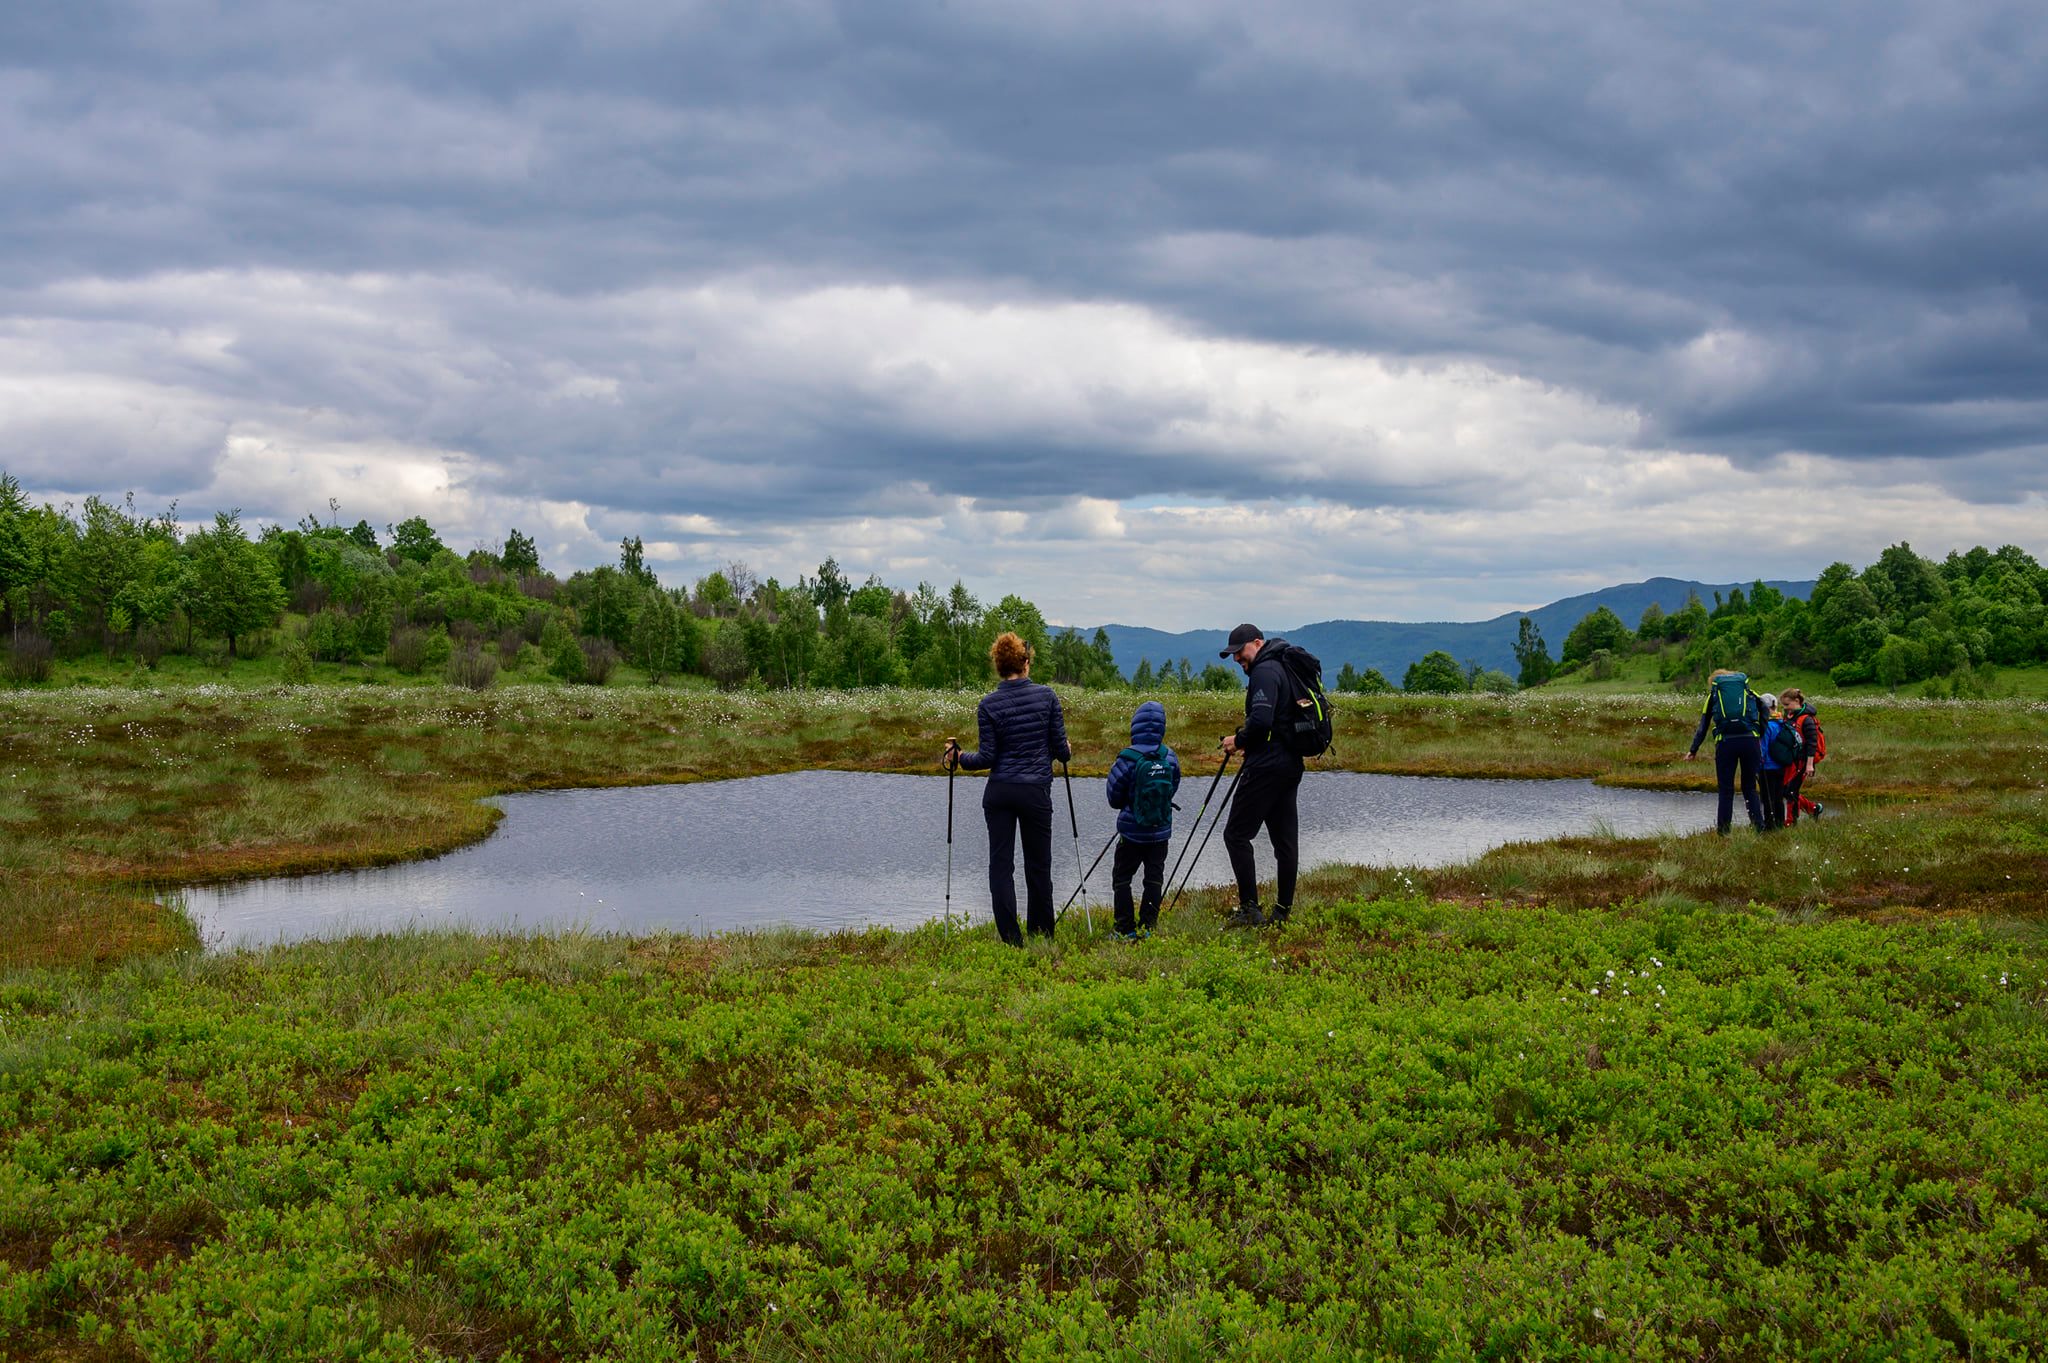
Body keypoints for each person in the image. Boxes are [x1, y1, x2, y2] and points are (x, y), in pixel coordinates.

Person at [943, 632, 1072, 946]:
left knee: (1001, 866)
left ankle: (1012, 940)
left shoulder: (988, 704)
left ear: (999, 667)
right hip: (1035, 793)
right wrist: (1063, 748)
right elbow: (1063, 751)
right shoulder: (1047, 697)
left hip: (1000, 792)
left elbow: (987, 757)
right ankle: (1041, 935)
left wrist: (959, 758)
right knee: (1038, 866)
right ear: (1025, 663)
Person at [1218, 623, 1303, 927]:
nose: (1238, 660)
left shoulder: (1264, 671)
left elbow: (1263, 720)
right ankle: (1281, 912)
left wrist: (1237, 740)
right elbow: (1275, 723)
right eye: (1234, 656)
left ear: (1257, 642)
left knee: (1236, 835)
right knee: (1285, 844)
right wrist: (1249, 741)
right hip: (1289, 765)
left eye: (1240, 653)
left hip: (1267, 767)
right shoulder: (1282, 666)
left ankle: (1250, 911)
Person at [1104, 700, 1181, 941]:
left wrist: (1130, 804)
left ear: (1135, 726)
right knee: (1154, 878)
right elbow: (1172, 788)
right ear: (1162, 727)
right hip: (1160, 832)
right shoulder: (1170, 757)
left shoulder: (1127, 758)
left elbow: (1113, 797)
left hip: (1131, 832)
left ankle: (1124, 929)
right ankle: (1148, 928)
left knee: (1122, 879)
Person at [1684, 668, 1766, 835]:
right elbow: (1764, 709)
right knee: (1750, 787)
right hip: (1750, 742)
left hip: (1726, 743)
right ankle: (1758, 827)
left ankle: (1723, 832)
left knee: (1726, 789)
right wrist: (1759, 733)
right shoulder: (1748, 691)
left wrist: (1693, 750)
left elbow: (1702, 727)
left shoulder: (1713, 696)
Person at [1779, 687, 1824, 824]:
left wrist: (1809, 765)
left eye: (1787, 705)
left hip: (1804, 761)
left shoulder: (1807, 719)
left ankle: (1791, 822)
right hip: (1792, 760)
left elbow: (1812, 743)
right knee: (1786, 790)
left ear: (1797, 701)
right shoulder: (1790, 716)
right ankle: (1813, 808)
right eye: (1783, 706)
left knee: (1791, 791)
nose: (1785, 708)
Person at [1756, 693, 1787, 831]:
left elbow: (1762, 748)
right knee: (1779, 797)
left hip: (1767, 767)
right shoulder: (1783, 722)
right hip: (1781, 766)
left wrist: (1757, 766)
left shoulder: (1766, 725)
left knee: (1767, 798)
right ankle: (1780, 823)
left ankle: (1769, 826)